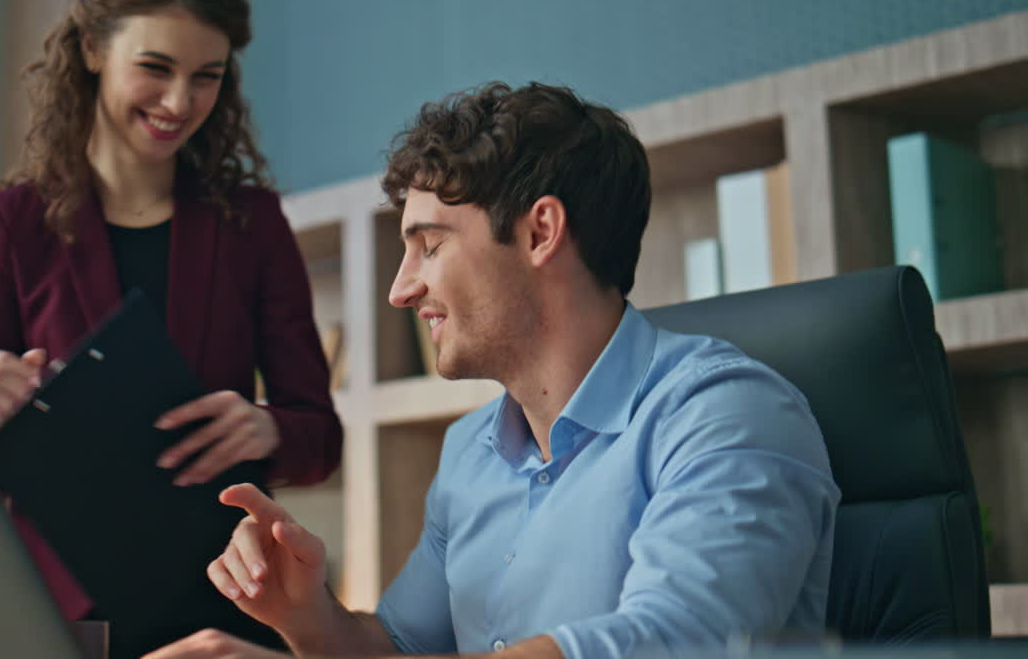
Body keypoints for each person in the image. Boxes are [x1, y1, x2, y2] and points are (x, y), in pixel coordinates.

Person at [144, 82, 840, 659]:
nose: (400, 289)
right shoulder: (469, 454)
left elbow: (675, 641)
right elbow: (397, 647)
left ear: (540, 232)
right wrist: (304, 616)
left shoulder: (729, 414)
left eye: (429, 246)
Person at [0, 0, 342, 657]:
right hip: (60, 613)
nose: (180, 102)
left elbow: (320, 436)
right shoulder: (10, 228)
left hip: (227, 602)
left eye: (206, 77)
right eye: (155, 68)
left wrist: (270, 429)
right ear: (92, 49)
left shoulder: (252, 225)